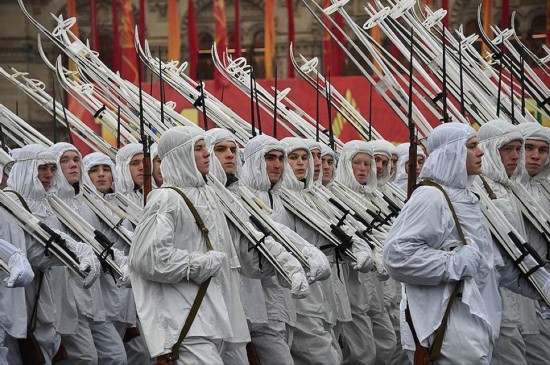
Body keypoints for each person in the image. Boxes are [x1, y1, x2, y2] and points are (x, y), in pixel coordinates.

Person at [383, 122, 547, 364]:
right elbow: (397, 257)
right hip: (445, 324)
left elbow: (492, 265)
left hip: (475, 323)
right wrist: (454, 262)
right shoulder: (431, 197)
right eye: (471, 146)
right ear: (451, 152)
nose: (480, 152)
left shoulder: (470, 198)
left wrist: (541, 287)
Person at [129, 126, 250, 364]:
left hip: (214, 315)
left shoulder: (208, 195)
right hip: (185, 319)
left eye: (205, 147)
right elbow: (149, 259)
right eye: (198, 148)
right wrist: (201, 263)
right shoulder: (166, 198)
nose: (207, 154)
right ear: (179, 156)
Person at [205, 128, 310, 364]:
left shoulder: (244, 195)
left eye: (233, 149)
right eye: (221, 150)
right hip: (232, 299)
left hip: (270, 298)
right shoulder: (213, 197)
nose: (230, 155)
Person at [240, 134, 331, 365]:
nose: (277, 164)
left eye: (280, 158)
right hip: (256, 305)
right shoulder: (241, 198)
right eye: (270, 157)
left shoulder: (282, 198)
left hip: (285, 302)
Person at [6, 144, 100, 363]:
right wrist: (74, 256)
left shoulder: (46, 204)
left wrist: (81, 251)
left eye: (51, 168)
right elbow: (33, 251)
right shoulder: (11, 204)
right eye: (42, 169)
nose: (49, 175)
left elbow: (57, 237)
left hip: (47, 298)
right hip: (19, 300)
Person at [49, 142, 128, 364]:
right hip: (67, 297)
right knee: (85, 358)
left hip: (94, 298)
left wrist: (122, 262)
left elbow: (103, 244)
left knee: (116, 357)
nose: (73, 165)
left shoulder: (86, 203)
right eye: (65, 161)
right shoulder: (50, 204)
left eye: (76, 160)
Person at [517, 122, 550, 364]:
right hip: (517, 284)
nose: (536, 156)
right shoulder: (506, 190)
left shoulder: (545, 189)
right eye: (529, 148)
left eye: (543, 150)